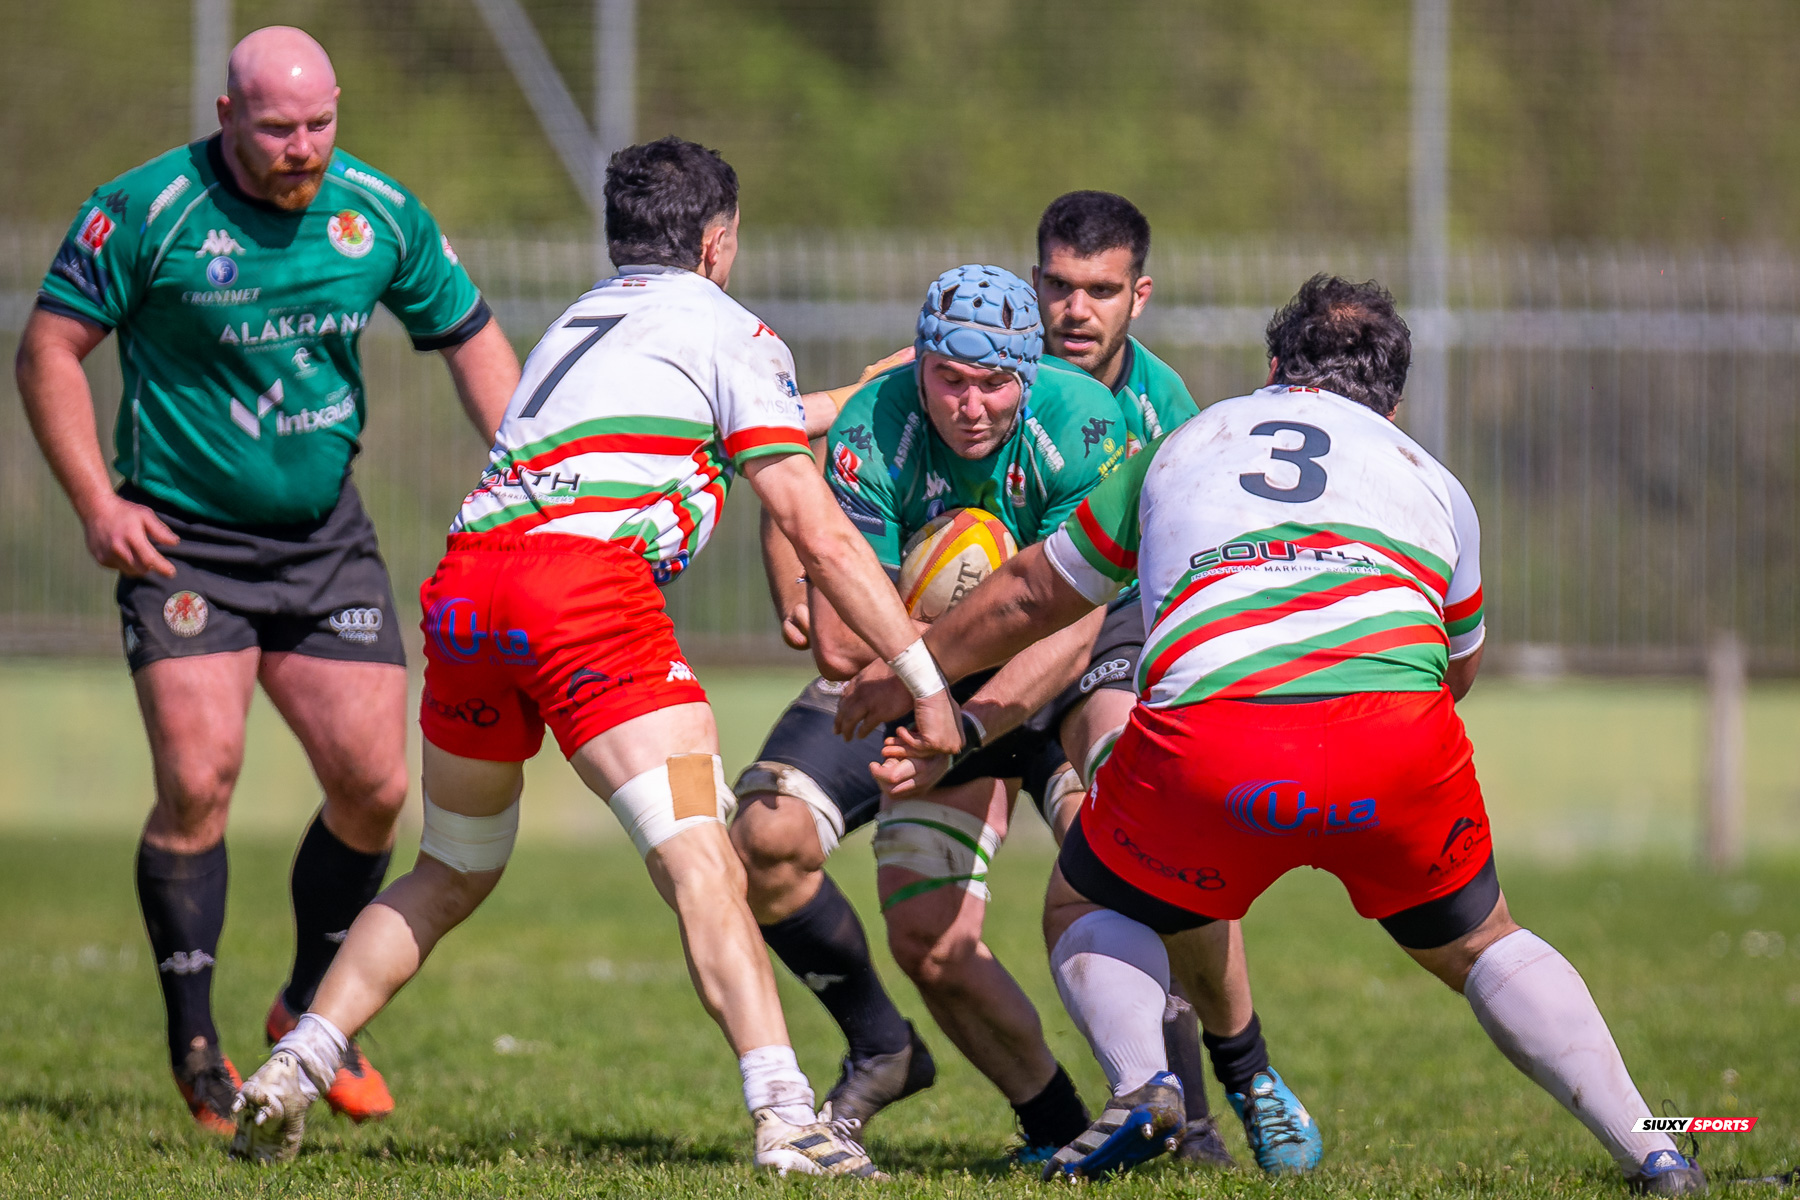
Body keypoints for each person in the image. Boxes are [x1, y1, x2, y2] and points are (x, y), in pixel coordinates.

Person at [838, 275, 1708, 1195]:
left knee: (1085, 903)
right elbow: (1457, 672)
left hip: (1211, 740)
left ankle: (1144, 1085)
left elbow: (1028, 594)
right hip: (1395, 738)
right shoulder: (1433, 480)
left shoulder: (1184, 446)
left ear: (1272, 367)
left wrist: (908, 673)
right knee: (1484, 939)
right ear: (1392, 402)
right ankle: (1654, 1149)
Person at [230, 136, 959, 1176]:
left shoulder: (581, 322)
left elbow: (692, 431)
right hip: (582, 597)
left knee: (452, 866)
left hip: (471, 589)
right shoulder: (727, 326)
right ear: (717, 242)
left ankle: (295, 1062)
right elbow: (816, 526)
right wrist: (924, 681)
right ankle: (789, 1118)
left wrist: (842, 400)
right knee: (703, 860)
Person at [14, 27, 520, 1135]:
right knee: (201, 780)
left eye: (319, 124)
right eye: (278, 128)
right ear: (226, 114)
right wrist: (98, 503)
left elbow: (472, 337)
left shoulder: (377, 214)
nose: (302, 147)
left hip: (324, 540)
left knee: (374, 786)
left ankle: (306, 1007)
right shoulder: (146, 211)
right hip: (183, 542)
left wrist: (525, 480)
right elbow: (48, 349)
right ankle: (197, 1047)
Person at [731, 263, 1155, 1161]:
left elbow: (1072, 626)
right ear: (918, 364)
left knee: (1128, 861)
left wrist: (958, 718)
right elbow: (841, 646)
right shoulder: (874, 424)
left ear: (1028, 373)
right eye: (948, 379)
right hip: (912, 680)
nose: (969, 406)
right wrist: (945, 665)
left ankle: (1176, 1105)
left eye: (992, 383)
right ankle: (968, 1086)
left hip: (1048, 680)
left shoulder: (1083, 424)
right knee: (784, 845)